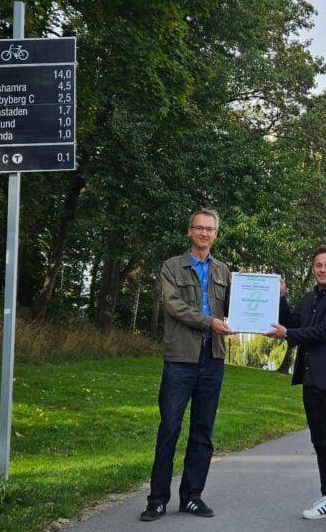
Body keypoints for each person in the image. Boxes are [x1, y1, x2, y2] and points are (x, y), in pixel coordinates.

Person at [140, 209, 232, 522]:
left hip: (213, 357)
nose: (205, 233)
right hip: (180, 359)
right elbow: (173, 305)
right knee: (169, 429)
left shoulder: (223, 270)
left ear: (216, 234)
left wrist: (270, 291)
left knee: (203, 431)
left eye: (210, 229)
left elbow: (238, 305)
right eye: (199, 228)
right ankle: (157, 499)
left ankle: (192, 496)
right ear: (189, 231)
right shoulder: (171, 266)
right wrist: (209, 321)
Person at [265, 245, 326, 530]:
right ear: (313, 269)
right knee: (321, 443)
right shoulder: (308, 299)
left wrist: (290, 334)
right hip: (311, 380)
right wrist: (282, 297)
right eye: (318, 265)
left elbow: (325, 332)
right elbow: (290, 323)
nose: (322, 269)